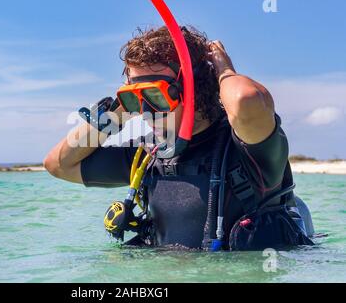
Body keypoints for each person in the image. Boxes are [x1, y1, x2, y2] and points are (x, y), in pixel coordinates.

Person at [44, 26, 314, 250]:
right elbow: (58, 164)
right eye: (134, 98)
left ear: (194, 89)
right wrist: (113, 115)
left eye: (155, 95)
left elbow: (246, 100)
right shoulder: (147, 158)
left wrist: (225, 71)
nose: (145, 112)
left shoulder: (248, 152)